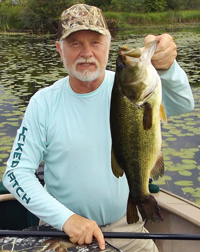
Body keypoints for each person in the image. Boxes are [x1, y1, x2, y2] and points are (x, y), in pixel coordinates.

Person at [3, 3, 194, 252]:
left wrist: (168, 68)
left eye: (95, 42)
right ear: (60, 49)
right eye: (75, 43)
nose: (86, 53)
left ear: (108, 45)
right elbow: (15, 173)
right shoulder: (43, 102)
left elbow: (183, 103)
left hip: (128, 229)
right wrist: (66, 219)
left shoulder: (132, 85)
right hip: (62, 233)